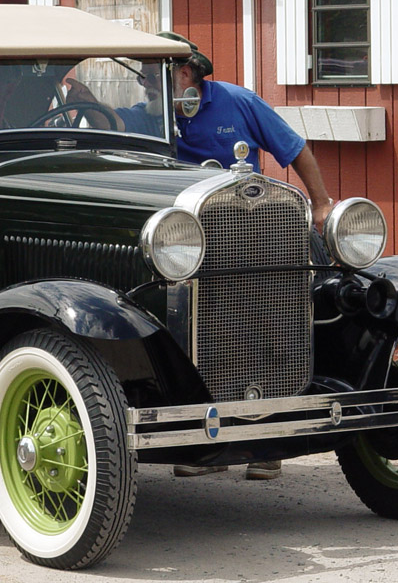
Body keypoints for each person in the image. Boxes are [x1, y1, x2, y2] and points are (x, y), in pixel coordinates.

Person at [73, 33, 335, 480]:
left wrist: (323, 203)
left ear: (186, 72)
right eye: (146, 77)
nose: (148, 87)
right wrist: (85, 98)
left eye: (157, 76)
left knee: (268, 324)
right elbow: (112, 126)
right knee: (199, 330)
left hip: (256, 235)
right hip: (193, 244)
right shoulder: (153, 117)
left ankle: (265, 441)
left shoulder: (239, 102)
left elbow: (293, 147)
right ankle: (201, 436)